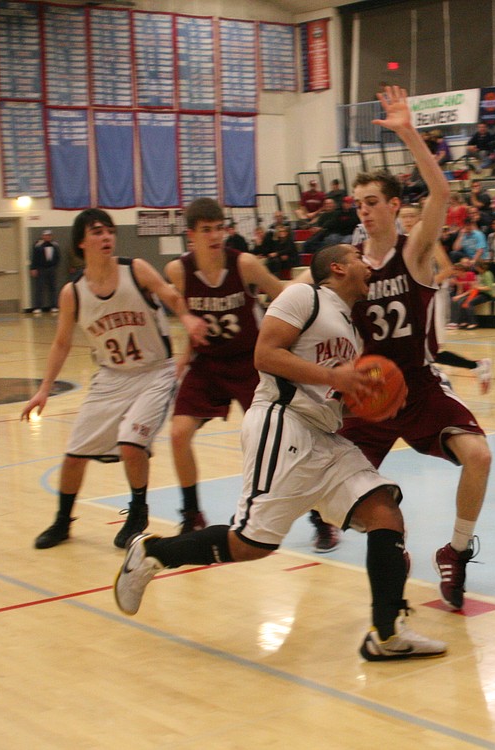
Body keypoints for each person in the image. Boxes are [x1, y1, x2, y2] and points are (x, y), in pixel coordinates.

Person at [112, 244, 448, 661]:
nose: (367, 264)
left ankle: (387, 631)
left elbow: (332, 392)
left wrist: (373, 400)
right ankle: (152, 553)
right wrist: (336, 378)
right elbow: (265, 355)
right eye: (358, 258)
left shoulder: (350, 326)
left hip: (323, 435)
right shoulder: (304, 297)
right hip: (282, 423)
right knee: (250, 543)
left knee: (384, 511)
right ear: (338, 267)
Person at [336, 86, 490, 612]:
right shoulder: (349, 265)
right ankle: (391, 548)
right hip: (367, 393)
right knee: (334, 495)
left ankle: (456, 551)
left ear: (394, 205)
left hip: (418, 385)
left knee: (479, 456)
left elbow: (441, 193)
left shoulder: (415, 250)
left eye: (372, 202)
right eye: (358, 204)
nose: (365, 211)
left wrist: (408, 133)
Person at [22, 209, 208, 550]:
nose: (106, 236)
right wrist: (44, 390)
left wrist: (186, 317)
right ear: (81, 242)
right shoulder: (73, 292)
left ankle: (137, 513)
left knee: (131, 444)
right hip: (110, 377)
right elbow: (61, 343)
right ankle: (62, 522)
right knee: (74, 455)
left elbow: (170, 295)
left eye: (110, 231)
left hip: (155, 373)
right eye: (97, 232)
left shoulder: (135, 269)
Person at [164, 198, 289, 534]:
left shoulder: (244, 264)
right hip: (207, 364)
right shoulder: (178, 270)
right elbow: (181, 306)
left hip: (250, 362)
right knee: (178, 434)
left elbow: (284, 296)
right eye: (207, 230)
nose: (215, 236)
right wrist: (185, 345)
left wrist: (283, 345)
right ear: (191, 235)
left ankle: (318, 518)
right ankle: (192, 514)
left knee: (277, 440)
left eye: (219, 228)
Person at [29, 229, 61, 314]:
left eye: (49, 235)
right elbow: (34, 258)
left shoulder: (55, 245)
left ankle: (54, 306)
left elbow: (58, 257)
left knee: (53, 287)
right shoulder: (38, 245)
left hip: (51, 268)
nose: (47, 237)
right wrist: (33, 268)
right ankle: (38, 307)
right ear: (43, 236)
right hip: (41, 268)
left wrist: (54, 266)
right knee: (39, 288)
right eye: (46, 235)